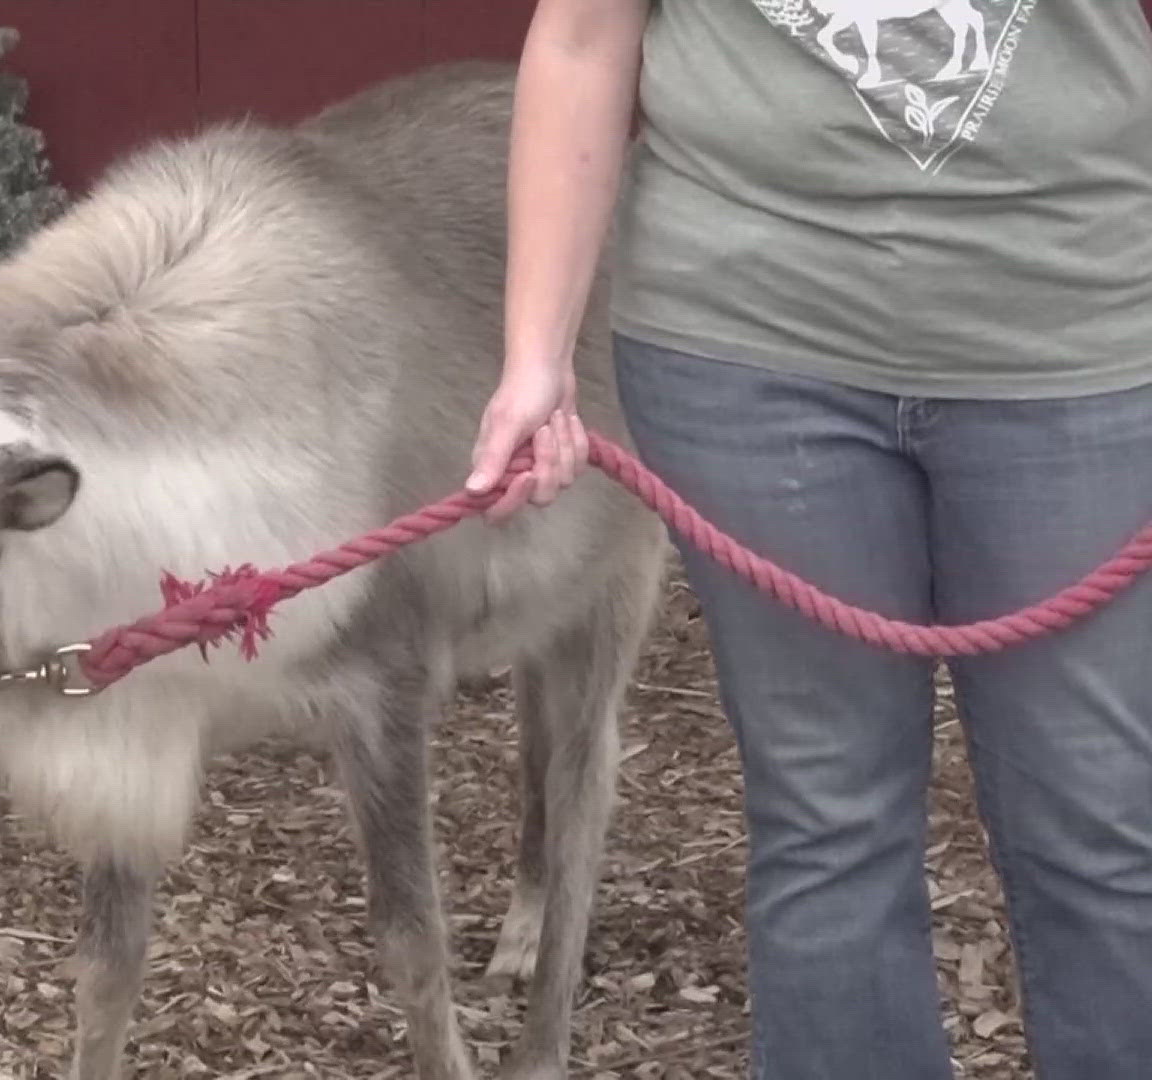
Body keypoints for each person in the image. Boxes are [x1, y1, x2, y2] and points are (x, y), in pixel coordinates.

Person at [464, 1, 1152, 1077]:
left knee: (1098, 827)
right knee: (829, 825)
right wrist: (534, 353)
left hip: (1083, 335)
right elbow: (580, 39)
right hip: (748, 344)